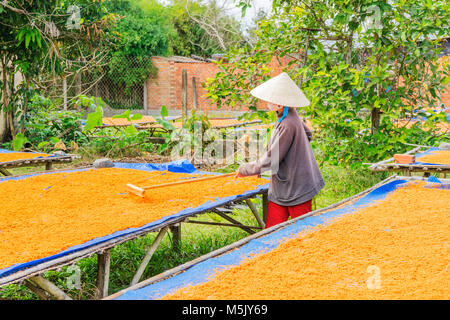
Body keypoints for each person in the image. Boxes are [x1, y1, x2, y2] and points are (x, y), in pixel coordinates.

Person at [235, 72, 325, 228]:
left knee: (301, 231)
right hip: (283, 185)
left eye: (270, 100)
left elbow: (272, 159)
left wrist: (245, 169)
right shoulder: (289, 115)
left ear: (279, 104)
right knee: (272, 230)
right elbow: (308, 135)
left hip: (299, 187)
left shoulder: (287, 124)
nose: (267, 102)